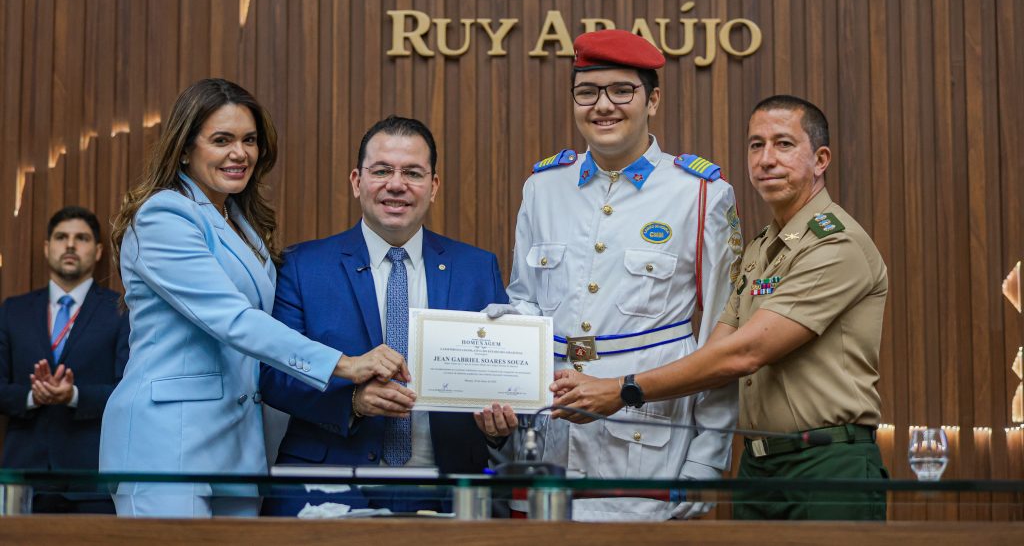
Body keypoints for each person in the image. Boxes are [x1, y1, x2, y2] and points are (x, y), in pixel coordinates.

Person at [552, 95, 889, 520]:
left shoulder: (834, 244)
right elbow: (713, 352)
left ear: (820, 159)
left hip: (827, 464)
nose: (766, 159)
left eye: (784, 144)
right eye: (756, 145)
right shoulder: (760, 249)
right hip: (759, 464)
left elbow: (743, 355)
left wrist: (621, 390)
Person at [100, 79, 408, 518]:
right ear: (185, 149)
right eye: (221, 140)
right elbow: (234, 320)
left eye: (249, 140)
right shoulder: (163, 214)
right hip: (167, 440)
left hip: (239, 443)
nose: (239, 153)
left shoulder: (241, 221)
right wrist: (346, 364)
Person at [486, 29, 742, 521]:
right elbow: (526, 304)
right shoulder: (542, 187)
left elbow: (720, 344)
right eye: (587, 92)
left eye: (622, 90)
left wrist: (704, 467)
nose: (603, 106)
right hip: (547, 445)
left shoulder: (700, 193)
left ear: (653, 100)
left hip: (649, 445)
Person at [259, 115, 509, 516]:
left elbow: (502, 374)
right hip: (328, 485)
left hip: (447, 488)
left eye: (412, 172)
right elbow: (274, 373)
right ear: (357, 181)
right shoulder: (304, 266)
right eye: (382, 171)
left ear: (434, 186)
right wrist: (353, 401)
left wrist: (500, 423)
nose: (397, 184)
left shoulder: (477, 269)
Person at [0, 206, 128, 514]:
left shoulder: (121, 311)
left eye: (81, 238)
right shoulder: (13, 311)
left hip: (91, 477)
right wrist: (33, 395)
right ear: (47, 248)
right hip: (22, 477)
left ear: (98, 251)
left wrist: (74, 396)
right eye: (61, 237)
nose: (70, 245)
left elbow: (127, 391)